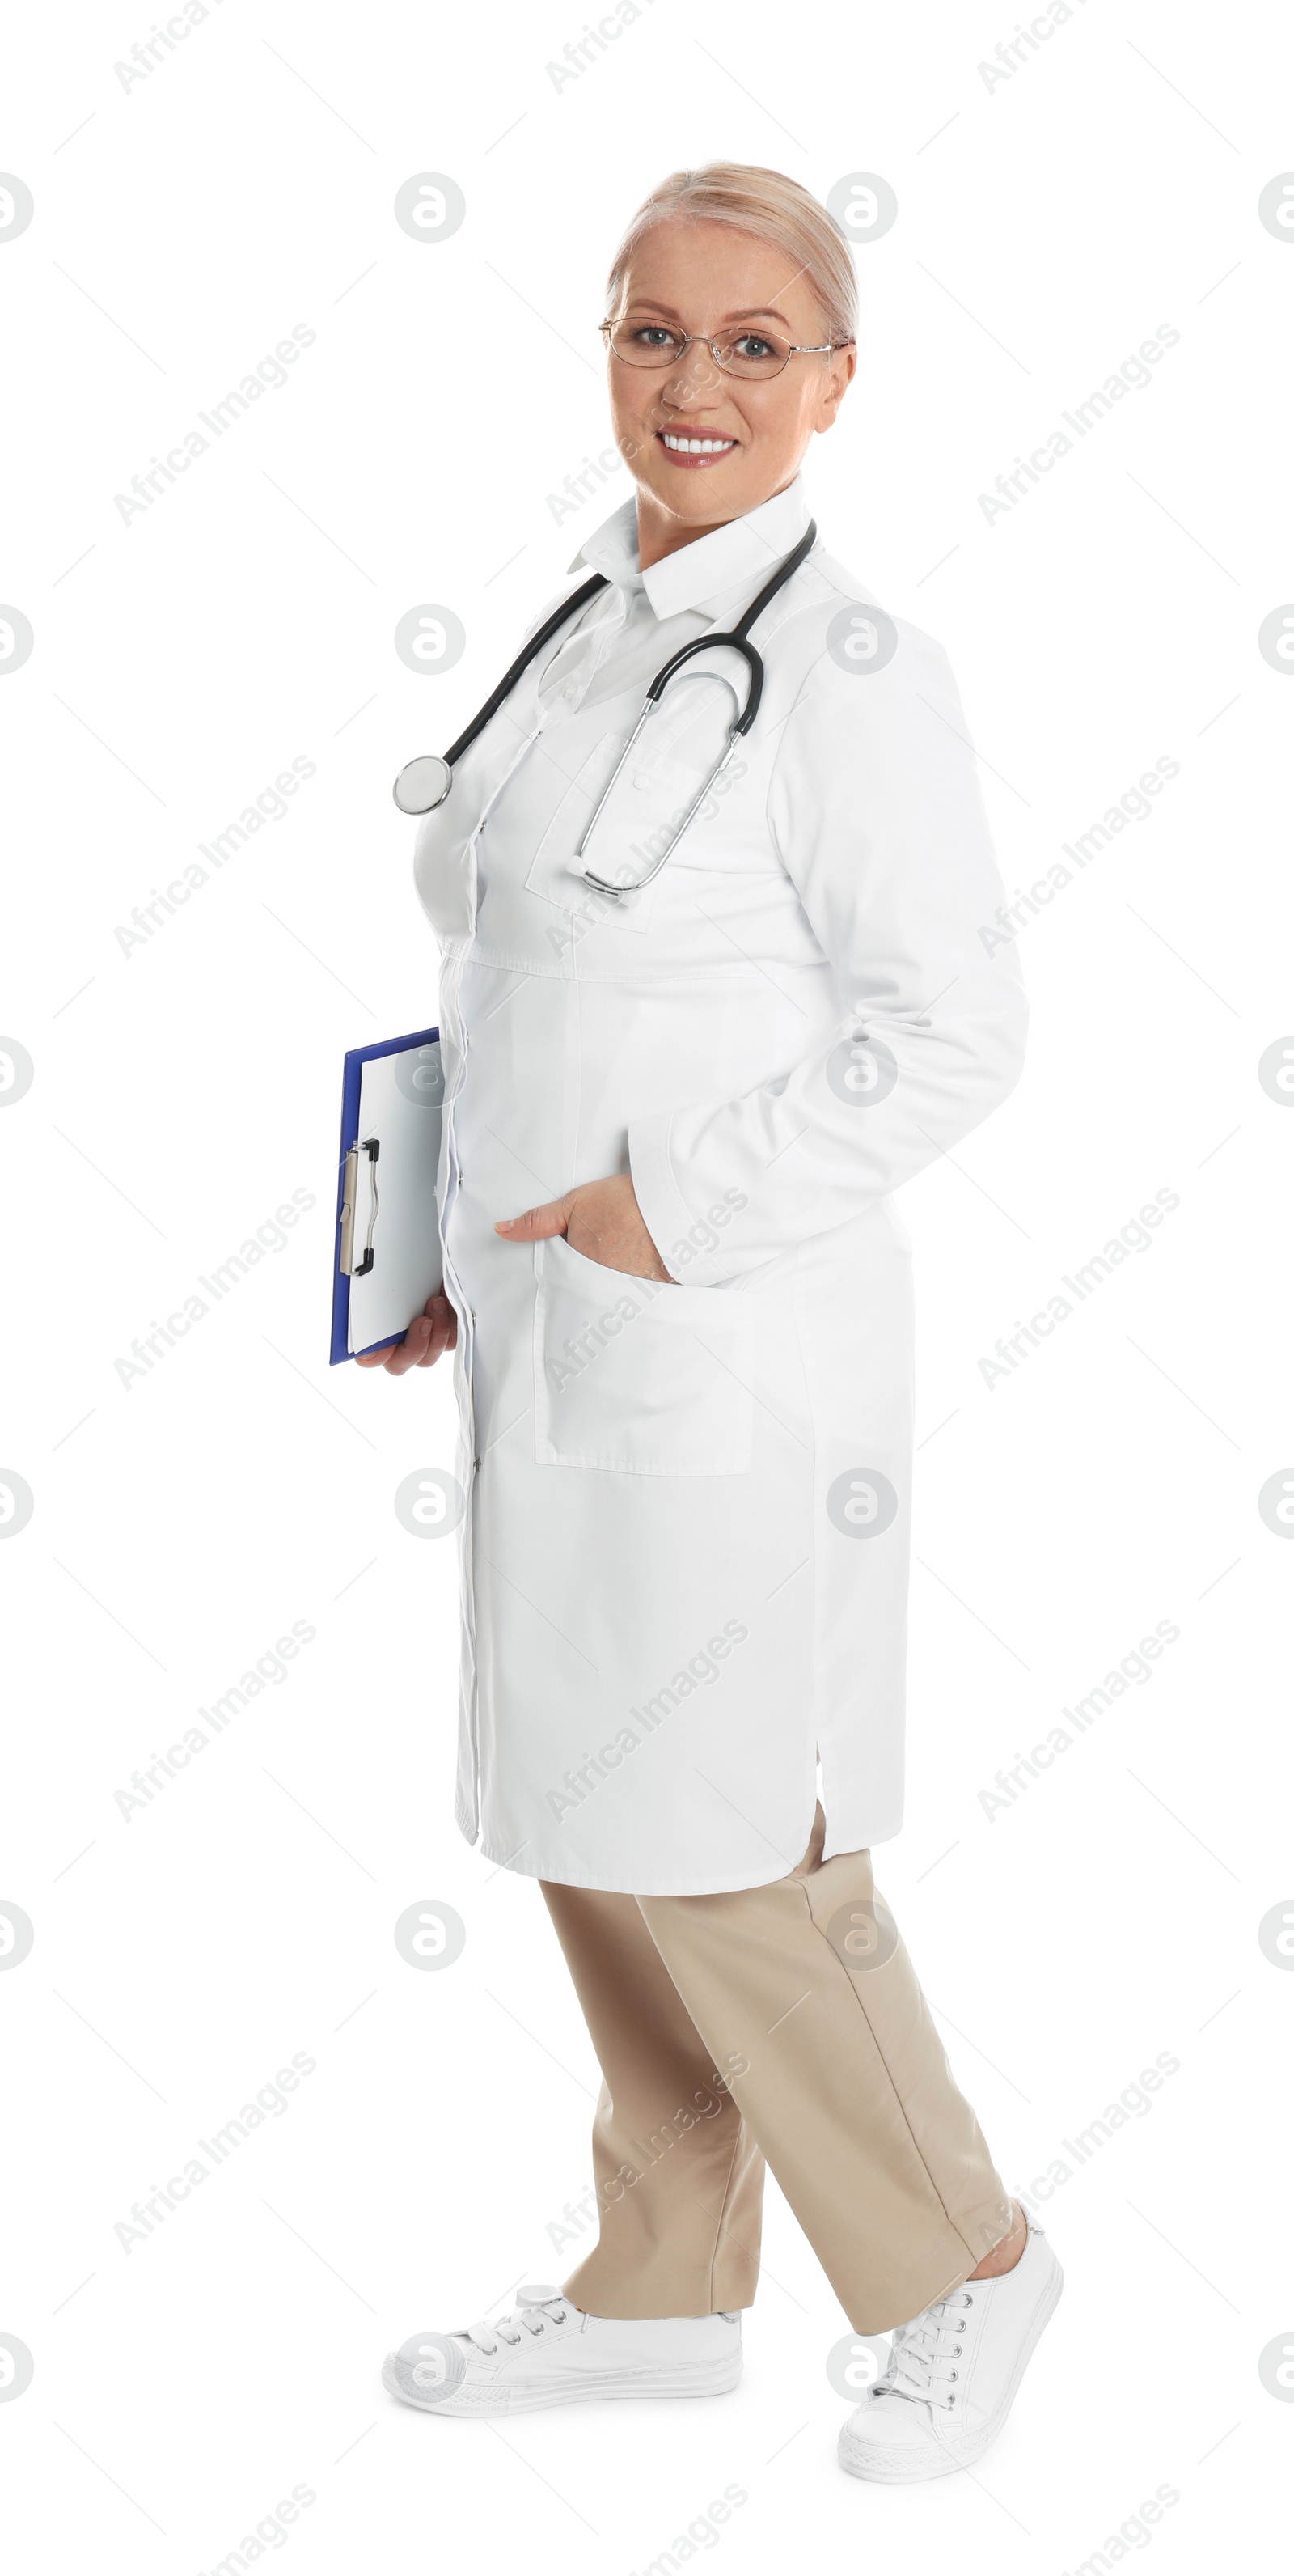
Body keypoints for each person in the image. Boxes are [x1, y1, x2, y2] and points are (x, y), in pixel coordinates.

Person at [362, 161, 1061, 2481]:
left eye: (752, 345)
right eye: (654, 333)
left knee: (737, 1847)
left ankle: (965, 2264)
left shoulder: (854, 673)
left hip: (725, 1350)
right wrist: (430, 1236)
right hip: (556, 1325)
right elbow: (525, 953)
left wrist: (670, 1214)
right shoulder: (593, 611)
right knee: (589, 1802)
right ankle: (661, 2285)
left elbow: (953, 1033)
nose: (693, 383)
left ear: (835, 385)